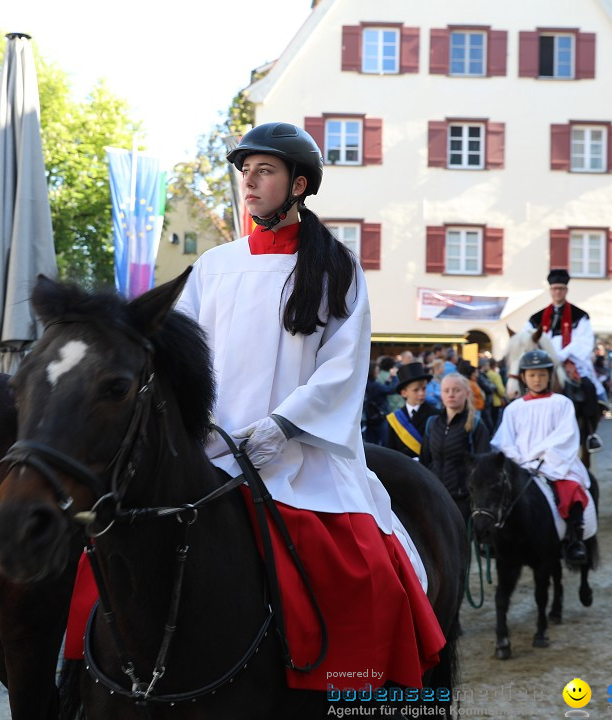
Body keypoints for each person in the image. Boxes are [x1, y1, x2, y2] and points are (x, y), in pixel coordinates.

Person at [168, 122, 444, 690]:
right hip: (210, 450)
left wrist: (281, 428)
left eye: (264, 170)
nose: (249, 181)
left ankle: (359, 687)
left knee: (367, 570)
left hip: (299, 454)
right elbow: (179, 357)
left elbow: (343, 365)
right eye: (245, 171)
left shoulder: (336, 265)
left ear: (298, 184)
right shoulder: (212, 266)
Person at [491, 350, 596, 567]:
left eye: (541, 375)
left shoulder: (562, 403)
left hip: (556, 462)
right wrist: (518, 460)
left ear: (550, 376)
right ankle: (495, 540)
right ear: (523, 378)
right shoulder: (513, 409)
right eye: (532, 375)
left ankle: (574, 539)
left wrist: (543, 457)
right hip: (520, 464)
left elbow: (565, 436)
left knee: (572, 489)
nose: (537, 380)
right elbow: (504, 440)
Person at [524, 269, 604, 452]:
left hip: (570, 361)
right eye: (554, 289)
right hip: (543, 363)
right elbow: (527, 338)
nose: (557, 292)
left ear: (566, 290)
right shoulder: (535, 318)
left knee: (588, 388)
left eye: (561, 289)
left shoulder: (580, 315)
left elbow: (583, 341)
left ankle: (590, 434)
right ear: (550, 291)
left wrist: (560, 355)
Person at [420, 373, 492, 522]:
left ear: (467, 393)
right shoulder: (432, 423)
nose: (451, 394)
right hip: (434, 495)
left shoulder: (476, 425)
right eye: (446, 390)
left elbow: (483, 469)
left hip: (462, 501)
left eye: (456, 390)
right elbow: (425, 461)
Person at [385, 361, 438, 458]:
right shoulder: (395, 418)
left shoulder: (435, 414)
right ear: (404, 393)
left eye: (424, 388)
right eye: (416, 390)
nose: (421, 393)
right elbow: (391, 450)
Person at [363, 360, 396, 446]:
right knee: (385, 442)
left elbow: (382, 390)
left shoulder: (365, 383)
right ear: (372, 371)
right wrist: (394, 377)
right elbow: (391, 390)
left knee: (371, 444)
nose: (378, 372)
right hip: (380, 418)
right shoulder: (375, 385)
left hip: (369, 418)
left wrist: (388, 381)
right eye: (376, 370)